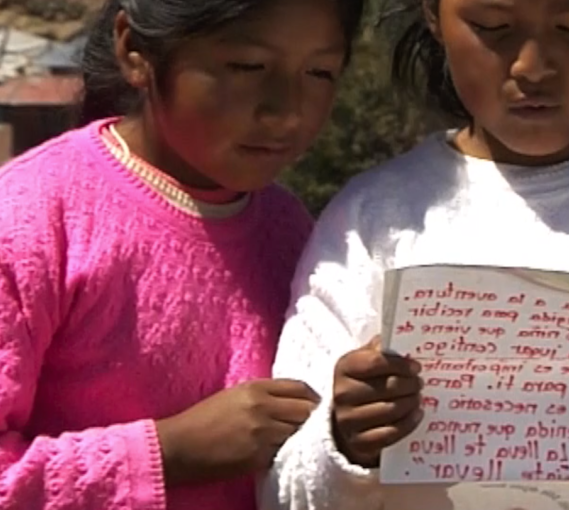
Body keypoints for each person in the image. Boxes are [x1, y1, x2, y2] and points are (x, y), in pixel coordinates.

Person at [261, 0, 569, 509]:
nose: (533, 66)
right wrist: (345, 441)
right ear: (434, 18)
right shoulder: (372, 220)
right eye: (492, 27)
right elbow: (282, 490)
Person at [0, 0, 363, 508]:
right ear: (135, 51)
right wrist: (166, 452)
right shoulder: (31, 217)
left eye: (320, 72)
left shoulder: (296, 232)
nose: (287, 108)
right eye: (247, 66)